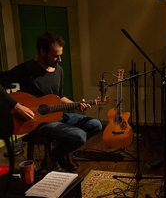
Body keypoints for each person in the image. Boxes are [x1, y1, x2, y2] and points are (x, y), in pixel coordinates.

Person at [0, 33, 103, 172]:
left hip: (57, 116)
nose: (59, 59)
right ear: (42, 52)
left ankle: (55, 156)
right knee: (79, 136)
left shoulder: (58, 70)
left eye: (60, 55)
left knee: (95, 124)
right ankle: (54, 158)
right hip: (36, 122)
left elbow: (59, 97)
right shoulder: (26, 69)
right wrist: (16, 106)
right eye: (55, 56)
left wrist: (76, 104)